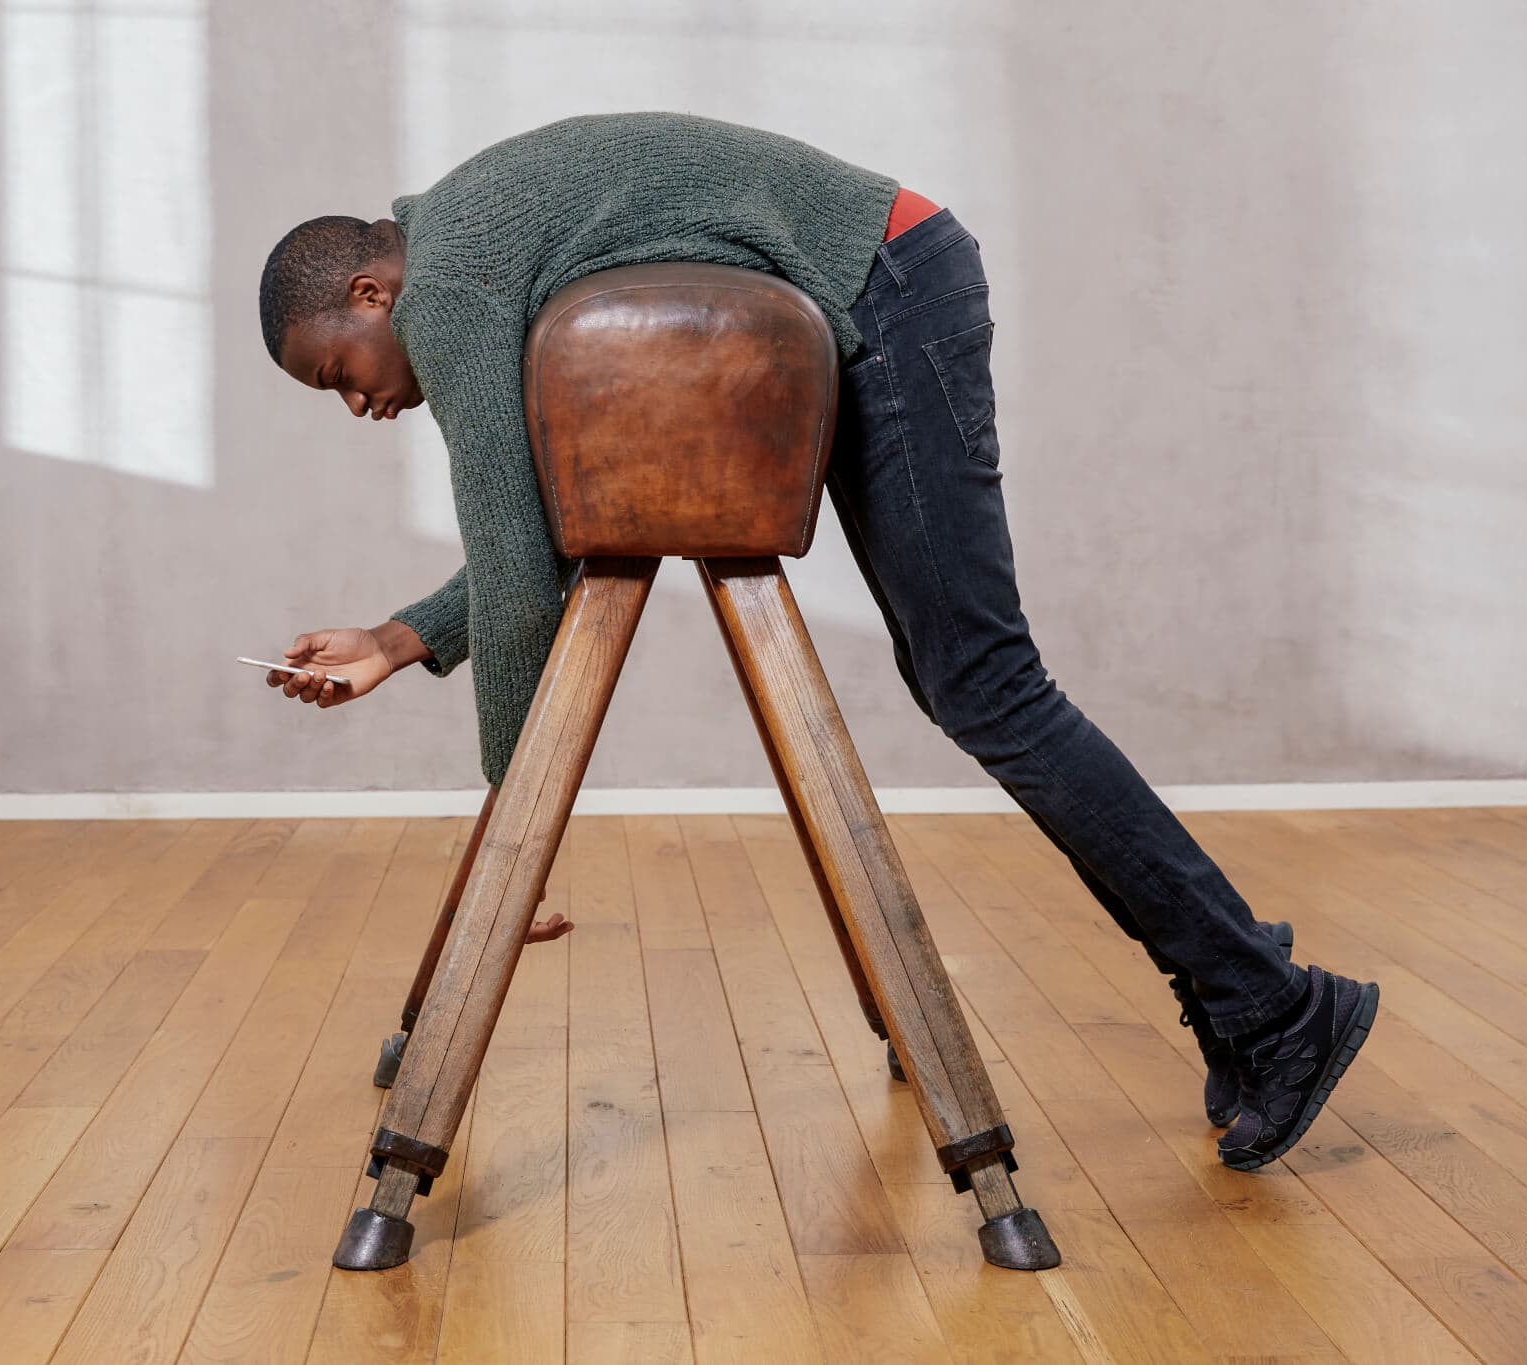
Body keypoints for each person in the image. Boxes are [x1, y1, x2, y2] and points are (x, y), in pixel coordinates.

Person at [252, 111, 1378, 1171]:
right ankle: (1243, 985)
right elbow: (537, 530)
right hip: (884, 275)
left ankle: (1273, 1006)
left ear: (369, 291)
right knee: (967, 687)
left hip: (891, 283)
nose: (353, 404)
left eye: (332, 372)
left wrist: (514, 825)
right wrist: (400, 638)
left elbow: (513, 572)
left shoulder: (445, 284)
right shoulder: (459, 242)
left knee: (985, 687)